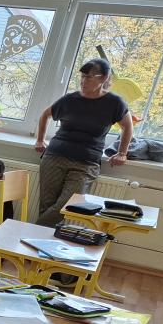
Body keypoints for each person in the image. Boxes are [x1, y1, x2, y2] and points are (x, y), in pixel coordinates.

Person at [34, 58, 133, 226]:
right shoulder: (70, 99)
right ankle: (40, 240)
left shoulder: (114, 103)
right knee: (47, 205)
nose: (83, 81)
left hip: (86, 163)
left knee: (67, 205)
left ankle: (28, 231)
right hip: (55, 156)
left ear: (103, 78)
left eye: (88, 77)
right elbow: (45, 115)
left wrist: (122, 153)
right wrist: (40, 140)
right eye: (82, 76)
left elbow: (127, 127)